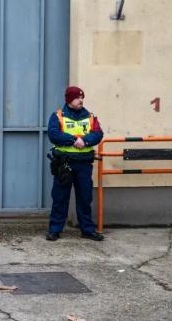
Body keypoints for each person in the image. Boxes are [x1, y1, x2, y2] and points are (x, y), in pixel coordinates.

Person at [46, 86, 104, 241]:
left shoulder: (90, 117)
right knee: (60, 198)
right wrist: (73, 140)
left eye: (82, 97)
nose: (81, 100)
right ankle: (55, 230)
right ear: (69, 100)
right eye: (78, 98)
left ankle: (87, 229)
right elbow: (53, 134)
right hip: (64, 164)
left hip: (84, 165)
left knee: (85, 198)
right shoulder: (58, 116)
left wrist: (85, 141)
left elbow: (98, 133)